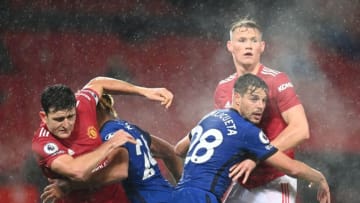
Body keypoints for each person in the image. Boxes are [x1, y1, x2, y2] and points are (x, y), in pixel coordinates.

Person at [172, 74, 330, 203]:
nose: (260, 106)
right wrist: (319, 177)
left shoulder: (210, 117)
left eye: (263, 101)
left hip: (178, 195)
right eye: (254, 99)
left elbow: (179, 149)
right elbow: (292, 168)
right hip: (204, 198)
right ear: (237, 98)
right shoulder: (247, 131)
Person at [32, 76, 174, 203]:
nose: (66, 124)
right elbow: (77, 171)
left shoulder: (83, 106)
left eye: (70, 116)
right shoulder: (43, 143)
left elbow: (98, 83)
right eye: (59, 119)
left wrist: (144, 91)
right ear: (44, 117)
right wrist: (110, 145)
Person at [214, 18, 310, 203]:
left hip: (273, 180)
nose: (248, 46)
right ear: (230, 46)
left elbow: (301, 129)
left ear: (262, 46)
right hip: (240, 181)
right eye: (242, 40)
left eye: (253, 40)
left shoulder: (277, 81)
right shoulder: (223, 88)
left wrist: (257, 156)